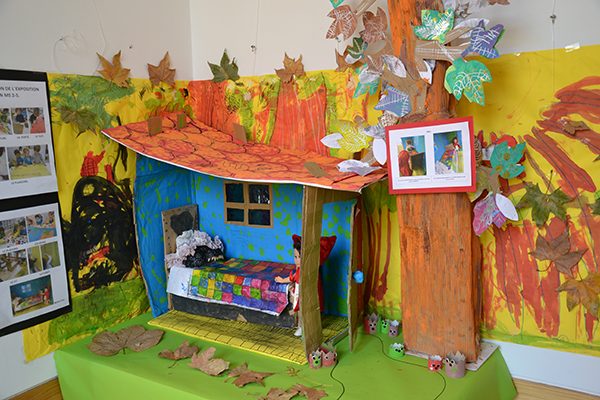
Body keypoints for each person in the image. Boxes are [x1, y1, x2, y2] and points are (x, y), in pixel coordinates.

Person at [275, 238, 303, 337]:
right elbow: (293, 278)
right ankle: (300, 325)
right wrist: (284, 280)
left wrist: (284, 280)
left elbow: (293, 278)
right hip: (298, 291)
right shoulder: (299, 269)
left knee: (301, 310)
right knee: (298, 308)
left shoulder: (303, 270)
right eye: (295, 257)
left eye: (300, 257)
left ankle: (301, 327)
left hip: (302, 293)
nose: (297, 260)